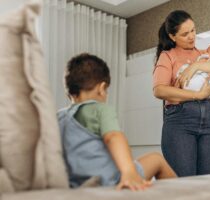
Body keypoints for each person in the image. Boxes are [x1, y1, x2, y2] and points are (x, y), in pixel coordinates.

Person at [58, 53, 177, 191]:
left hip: (78, 183)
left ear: (69, 93)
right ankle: (183, 195)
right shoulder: (99, 109)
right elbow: (114, 137)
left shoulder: (58, 117)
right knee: (157, 159)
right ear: (102, 89)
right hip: (110, 179)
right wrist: (129, 172)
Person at [153, 10, 210, 177]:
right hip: (180, 123)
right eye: (185, 34)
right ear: (172, 36)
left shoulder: (204, 55)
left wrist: (196, 66)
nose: (192, 36)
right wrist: (198, 95)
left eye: (193, 30)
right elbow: (159, 90)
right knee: (186, 185)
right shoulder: (167, 56)